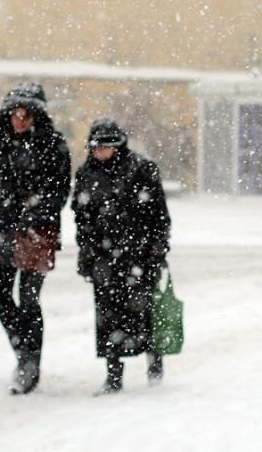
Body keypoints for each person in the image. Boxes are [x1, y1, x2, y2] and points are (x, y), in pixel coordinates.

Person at [0, 82, 71, 395]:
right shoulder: (0, 144)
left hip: (37, 234)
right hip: (4, 230)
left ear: (37, 116)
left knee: (29, 299)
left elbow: (60, 191)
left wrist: (36, 215)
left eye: (27, 114)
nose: (20, 119)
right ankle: (23, 350)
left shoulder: (53, 145)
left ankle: (30, 364)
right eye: (16, 113)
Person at [72, 118, 171, 396]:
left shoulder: (142, 169)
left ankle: (155, 366)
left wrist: (157, 248)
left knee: (144, 313)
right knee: (107, 317)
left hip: (139, 256)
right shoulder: (86, 174)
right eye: (94, 148)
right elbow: (82, 218)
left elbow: (158, 215)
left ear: (117, 146)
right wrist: (87, 253)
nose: (98, 153)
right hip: (104, 257)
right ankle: (113, 376)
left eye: (103, 148)